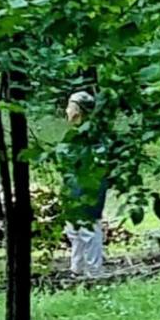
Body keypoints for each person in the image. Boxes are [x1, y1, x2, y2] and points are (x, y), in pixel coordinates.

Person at [63, 90, 108, 278]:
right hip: (73, 189)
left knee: (89, 230)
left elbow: (96, 165)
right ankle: (77, 268)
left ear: (79, 110)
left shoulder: (94, 136)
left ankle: (94, 272)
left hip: (89, 190)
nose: (67, 111)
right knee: (73, 231)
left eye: (70, 106)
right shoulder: (74, 135)